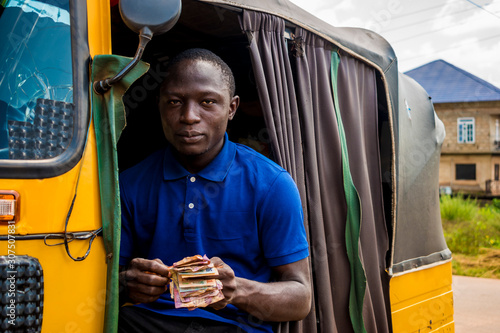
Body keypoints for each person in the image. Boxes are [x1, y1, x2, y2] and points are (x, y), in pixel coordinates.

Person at [118, 48, 311, 333]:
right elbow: (100, 282)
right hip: (144, 323)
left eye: (207, 102)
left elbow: (301, 298)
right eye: (174, 102)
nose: (188, 116)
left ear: (231, 108)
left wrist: (236, 291)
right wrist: (127, 282)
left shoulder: (271, 184)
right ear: (159, 104)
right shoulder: (129, 184)